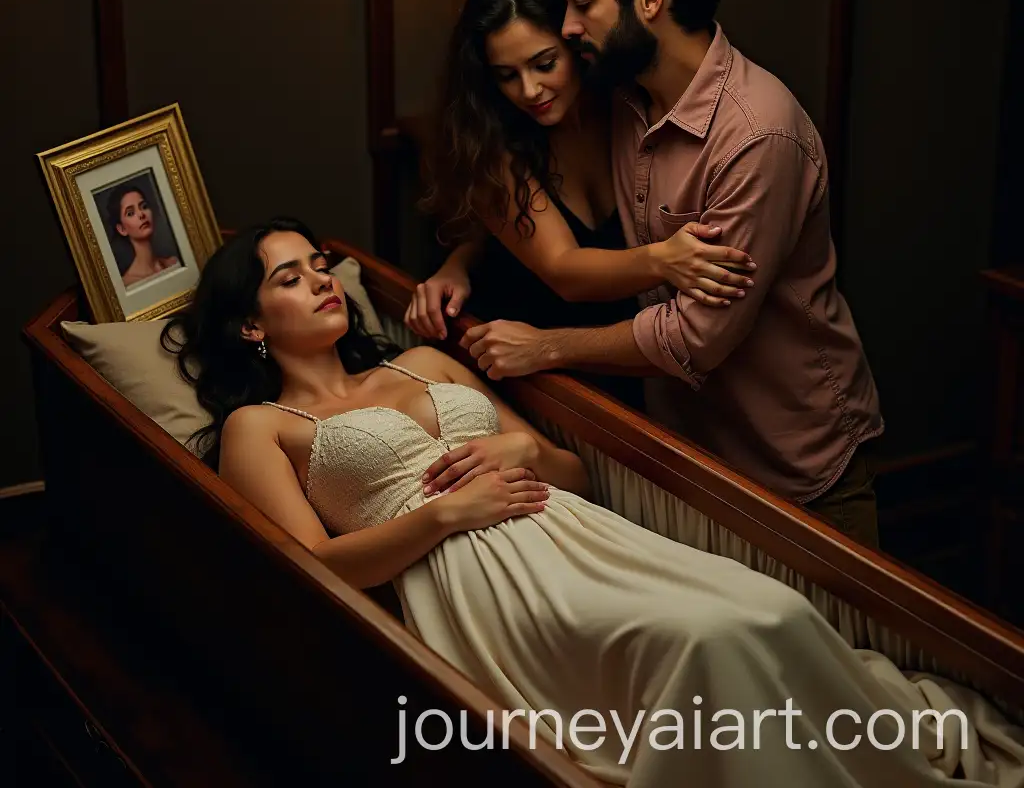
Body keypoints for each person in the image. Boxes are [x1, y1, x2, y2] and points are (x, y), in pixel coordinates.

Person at [160, 217, 1022, 787]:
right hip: (477, 584)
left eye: (321, 265)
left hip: (570, 528)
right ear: (250, 325)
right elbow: (310, 567)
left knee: (772, 608)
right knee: (706, 641)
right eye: (290, 277)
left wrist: (522, 448)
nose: (321, 281)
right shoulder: (259, 427)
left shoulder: (422, 363)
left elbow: (569, 471)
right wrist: (442, 515)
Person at [455, 0, 885, 549]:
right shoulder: (621, 96)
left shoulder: (757, 135)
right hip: (685, 457)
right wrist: (460, 259)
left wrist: (545, 346)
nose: (568, 28)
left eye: (581, 4)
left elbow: (696, 339)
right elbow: (528, 203)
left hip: (792, 467)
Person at [407, 0, 756, 412]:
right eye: (507, 75)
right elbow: (564, 270)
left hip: (624, 374)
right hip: (527, 377)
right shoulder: (491, 143)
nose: (529, 89)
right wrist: (663, 259)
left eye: (544, 63)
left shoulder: (627, 110)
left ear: (575, 44)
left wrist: (462, 258)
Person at [107, 184, 181, 288]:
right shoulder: (128, 285)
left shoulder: (174, 263)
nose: (141, 214)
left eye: (144, 207)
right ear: (122, 229)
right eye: (130, 213)